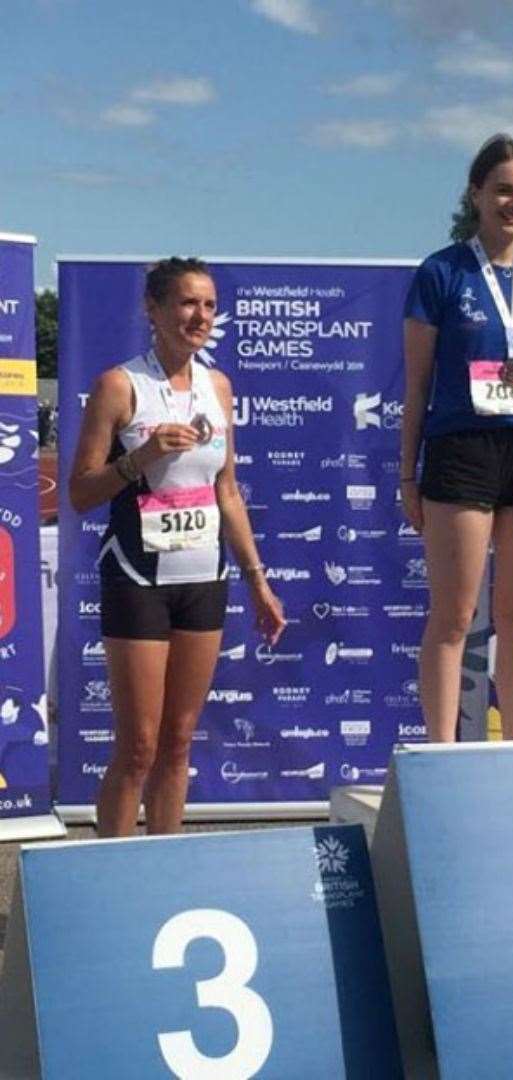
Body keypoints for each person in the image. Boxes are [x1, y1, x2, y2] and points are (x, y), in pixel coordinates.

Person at [69, 257, 285, 835]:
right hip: (137, 578)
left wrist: (258, 580)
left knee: (180, 740)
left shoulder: (219, 387)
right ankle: (111, 871)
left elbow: (227, 490)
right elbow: (81, 493)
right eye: (188, 303)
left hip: (203, 577)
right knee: (138, 745)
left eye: (210, 305)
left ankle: (164, 870)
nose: (200, 315)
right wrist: (141, 456)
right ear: (154, 309)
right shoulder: (119, 385)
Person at [400, 134, 513, 742]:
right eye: (503, 189)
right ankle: (442, 753)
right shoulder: (440, 273)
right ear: (477, 194)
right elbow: (416, 385)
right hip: (461, 450)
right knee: (452, 618)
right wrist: (407, 474)